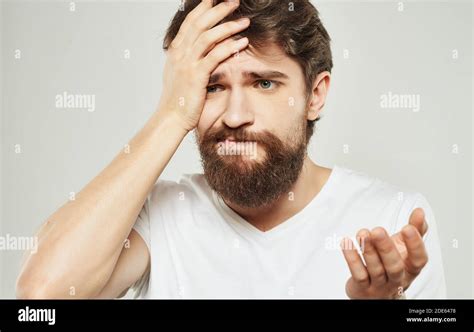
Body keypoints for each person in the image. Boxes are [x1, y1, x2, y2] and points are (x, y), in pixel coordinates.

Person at [16, 0, 446, 299]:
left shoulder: (393, 221)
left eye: (264, 83)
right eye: (213, 86)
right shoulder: (159, 214)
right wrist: (171, 115)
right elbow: (41, 297)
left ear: (315, 95)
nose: (236, 114)